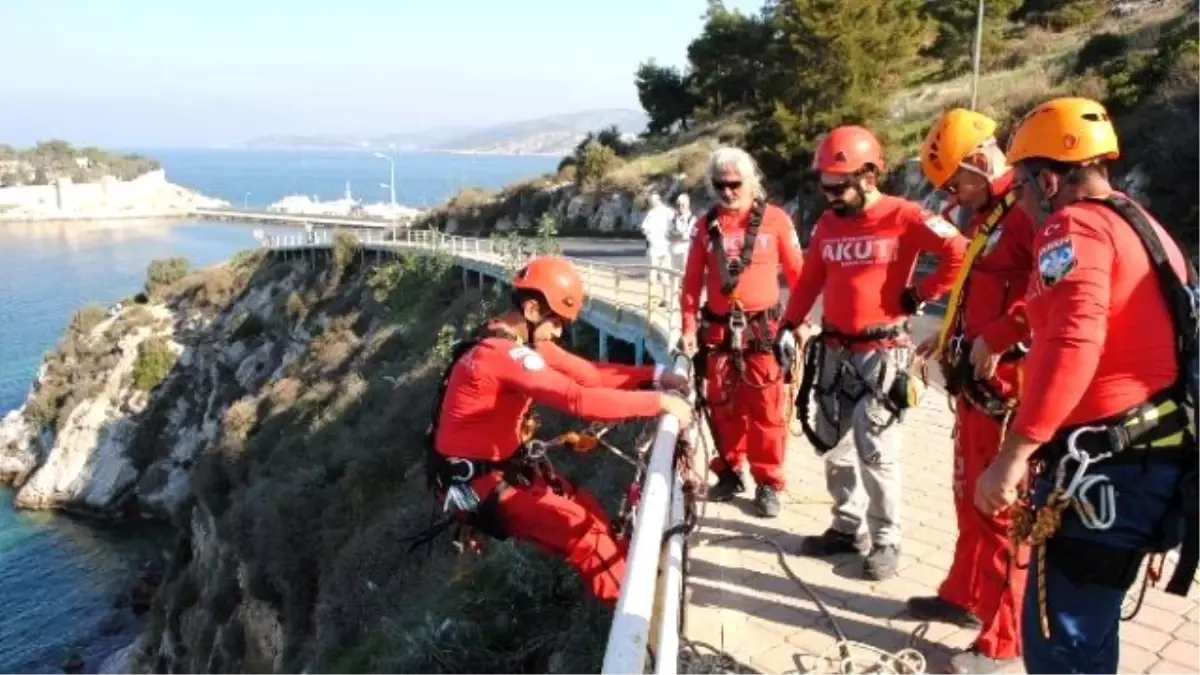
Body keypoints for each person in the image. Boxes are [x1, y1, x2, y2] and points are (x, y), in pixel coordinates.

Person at [974, 96, 1195, 674]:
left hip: (1108, 470)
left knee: (1061, 642)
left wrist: (1012, 456)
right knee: (1085, 631)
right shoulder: (1139, 224)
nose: (1019, 202)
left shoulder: (1072, 227)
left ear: (1048, 179)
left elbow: (1075, 342)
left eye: (1021, 187)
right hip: (1146, 462)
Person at [428, 255, 693, 606]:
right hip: (481, 485)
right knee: (586, 535)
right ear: (534, 309)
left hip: (495, 474)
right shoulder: (501, 355)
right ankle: (639, 622)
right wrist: (659, 403)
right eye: (557, 323)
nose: (560, 332)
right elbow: (578, 399)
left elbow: (590, 376)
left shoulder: (515, 344)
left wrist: (656, 376)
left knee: (589, 509)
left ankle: (638, 579)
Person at [784, 124, 967, 580]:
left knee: (876, 448)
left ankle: (886, 538)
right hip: (833, 350)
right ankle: (847, 527)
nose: (828, 194)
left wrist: (919, 295)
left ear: (868, 176)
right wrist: (788, 325)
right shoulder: (828, 223)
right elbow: (810, 279)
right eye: (823, 185)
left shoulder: (904, 215)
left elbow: (959, 251)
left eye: (836, 185)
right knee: (834, 444)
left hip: (882, 353)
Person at [904, 108, 1036, 674]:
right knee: (968, 498)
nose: (951, 198)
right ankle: (965, 593)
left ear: (980, 165)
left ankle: (1005, 641)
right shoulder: (993, 215)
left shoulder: (1030, 215)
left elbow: (1058, 292)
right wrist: (948, 333)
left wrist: (1002, 333)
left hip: (1009, 396)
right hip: (978, 391)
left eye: (955, 183)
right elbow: (977, 285)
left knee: (1000, 510)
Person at [679, 146, 805, 518]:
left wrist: (801, 324)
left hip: (762, 333)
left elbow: (801, 276)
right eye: (720, 185)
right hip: (718, 336)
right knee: (722, 408)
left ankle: (768, 482)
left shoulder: (777, 221)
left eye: (735, 184)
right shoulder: (705, 227)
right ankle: (731, 470)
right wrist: (688, 328)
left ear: (751, 182)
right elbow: (690, 285)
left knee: (767, 411)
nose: (728, 192)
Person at [641, 193, 676, 302]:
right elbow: (644, 227)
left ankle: (665, 299)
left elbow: (675, 224)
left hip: (666, 247)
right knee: (653, 274)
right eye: (651, 200)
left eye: (655, 200)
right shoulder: (651, 213)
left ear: (659, 199)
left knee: (665, 274)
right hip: (654, 247)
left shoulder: (668, 212)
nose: (653, 202)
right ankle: (652, 298)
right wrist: (648, 235)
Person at [670, 193, 697, 272]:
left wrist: (679, 235)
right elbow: (668, 233)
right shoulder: (674, 218)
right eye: (678, 205)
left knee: (685, 274)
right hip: (675, 250)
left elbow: (692, 235)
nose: (680, 207)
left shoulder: (692, 218)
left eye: (683, 205)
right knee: (674, 275)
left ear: (688, 205)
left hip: (686, 251)